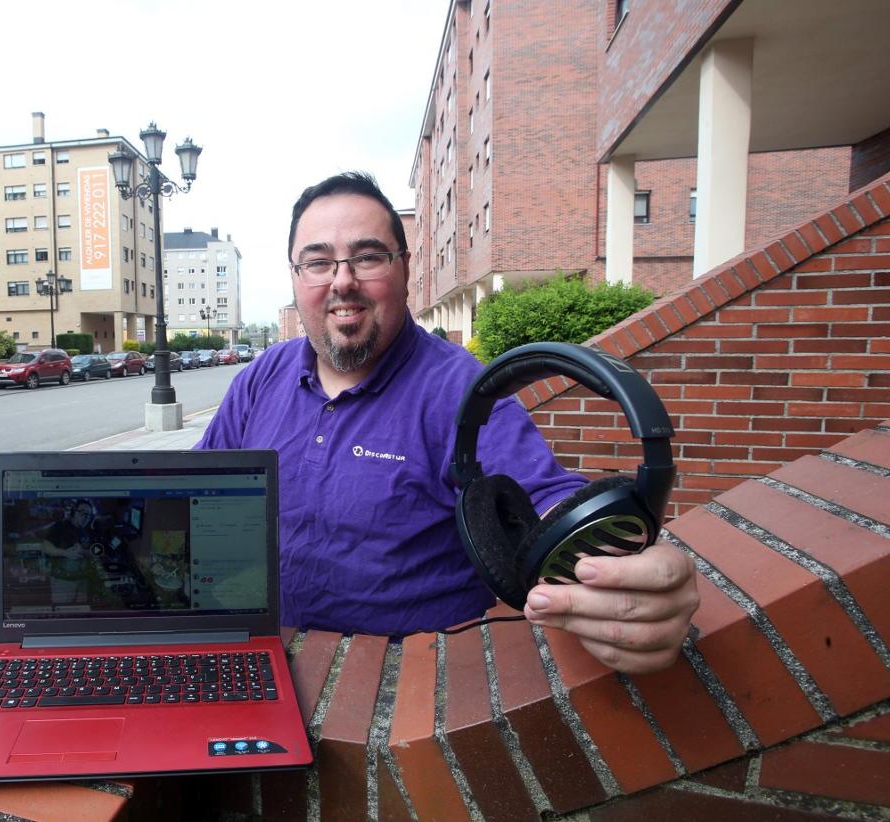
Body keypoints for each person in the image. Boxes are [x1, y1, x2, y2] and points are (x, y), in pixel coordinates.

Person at [196, 172, 698, 674]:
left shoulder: (461, 391)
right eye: (318, 261)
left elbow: (544, 502)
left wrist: (625, 573)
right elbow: (194, 494)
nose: (342, 280)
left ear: (405, 268)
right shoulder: (262, 376)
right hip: (258, 664)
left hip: (400, 694)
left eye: (368, 257)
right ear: (295, 276)